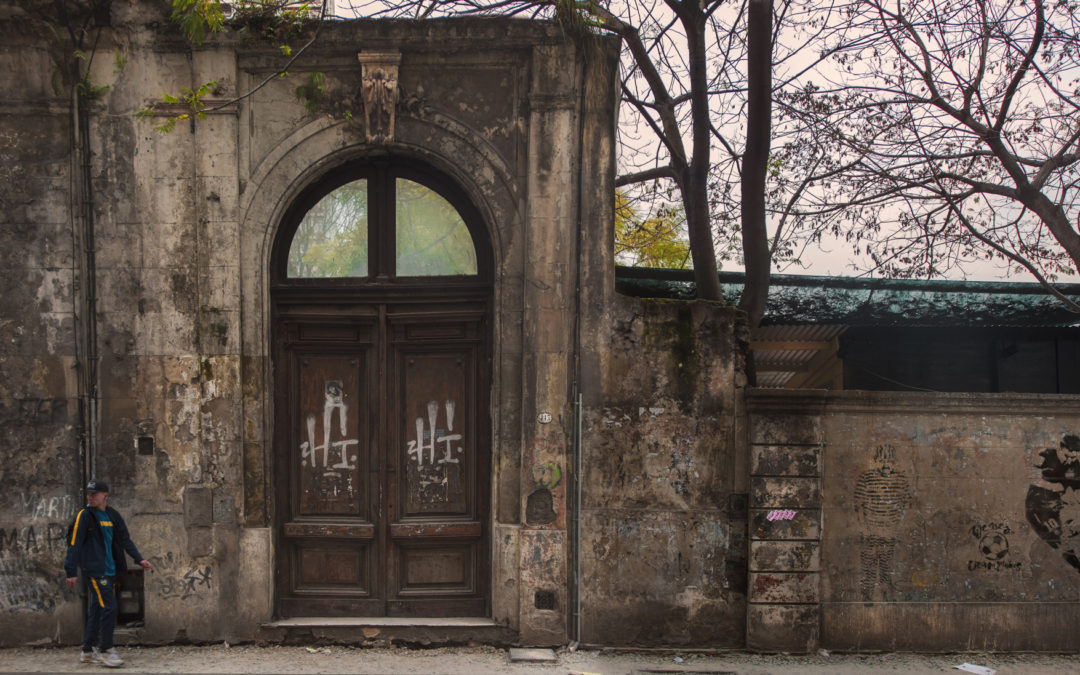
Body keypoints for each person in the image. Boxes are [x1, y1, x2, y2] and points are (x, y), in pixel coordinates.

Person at [64, 480, 152, 668]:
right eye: (88, 494)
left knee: (98, 607)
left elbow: (125, 539)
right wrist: (70, 570)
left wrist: (138, 559)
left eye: (94, 494)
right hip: (95, 570)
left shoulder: (112, 515)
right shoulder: (84, 516)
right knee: (110, 607)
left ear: (105, 495)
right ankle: (106, 649)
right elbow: (74, 543)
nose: (90, 497)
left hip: (110, 570)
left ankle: (88, 651)